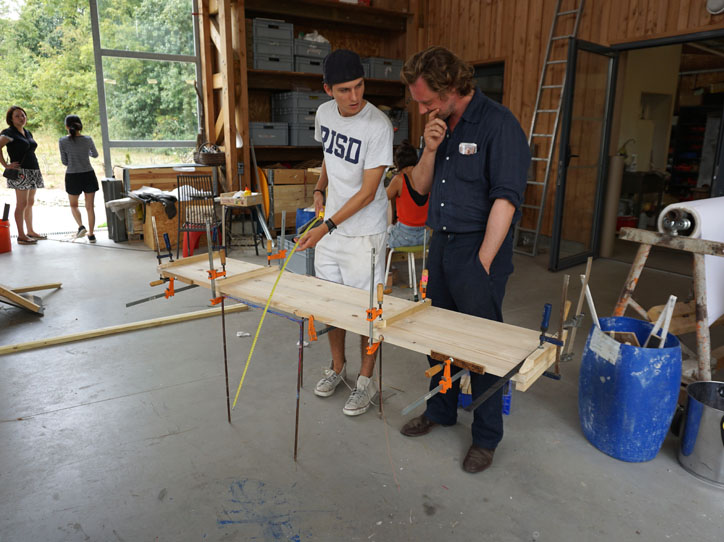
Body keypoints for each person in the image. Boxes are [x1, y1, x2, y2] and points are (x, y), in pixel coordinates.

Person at [398, 46, 530, 473]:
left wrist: (483, 263)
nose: (423, 110)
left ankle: (486, 438)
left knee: (481, 348)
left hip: (479, 249)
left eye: (427, 101)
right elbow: (419, 188)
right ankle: (441, 411)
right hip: (441, 244)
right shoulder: (439, 127)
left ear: (453, 86)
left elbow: (505, 201)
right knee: (437, 338)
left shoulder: (499, 125)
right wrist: (429, 149)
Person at [296, 49, 394, 416]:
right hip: (332, 229)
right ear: (328, 90)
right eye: (344, 90)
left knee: (367, 312)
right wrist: (320, 187)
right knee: (331, 305)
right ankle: (338, 368)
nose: (354, 97)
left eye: (359, 86)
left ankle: (366, 381)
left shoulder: (378, 126)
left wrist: (326, 226)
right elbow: (329, 154)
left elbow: (368, 192)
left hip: (364, 234)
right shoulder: (324, 114)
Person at [0, 106, 46, 245]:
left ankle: (30, 231)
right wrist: (5, 165)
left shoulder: (27, 132)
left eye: (23, 115)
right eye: (17, 116)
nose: (21, 118)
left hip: (33, 170)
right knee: (22, 204)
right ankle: (21, 235)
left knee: (30, 202)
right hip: (21, 172)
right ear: (11, 119)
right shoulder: (9, 133)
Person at [59, 115, 100, 242]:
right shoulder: (88, 139)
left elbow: (65, 162)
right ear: (80, 125)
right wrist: (85, 152)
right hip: (88, 174)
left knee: (73, 205)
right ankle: (91, 235)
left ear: (66, 126)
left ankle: (81, 227)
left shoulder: (63, 141)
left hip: (73, 176)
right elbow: (95, 155)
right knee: (90, 206)